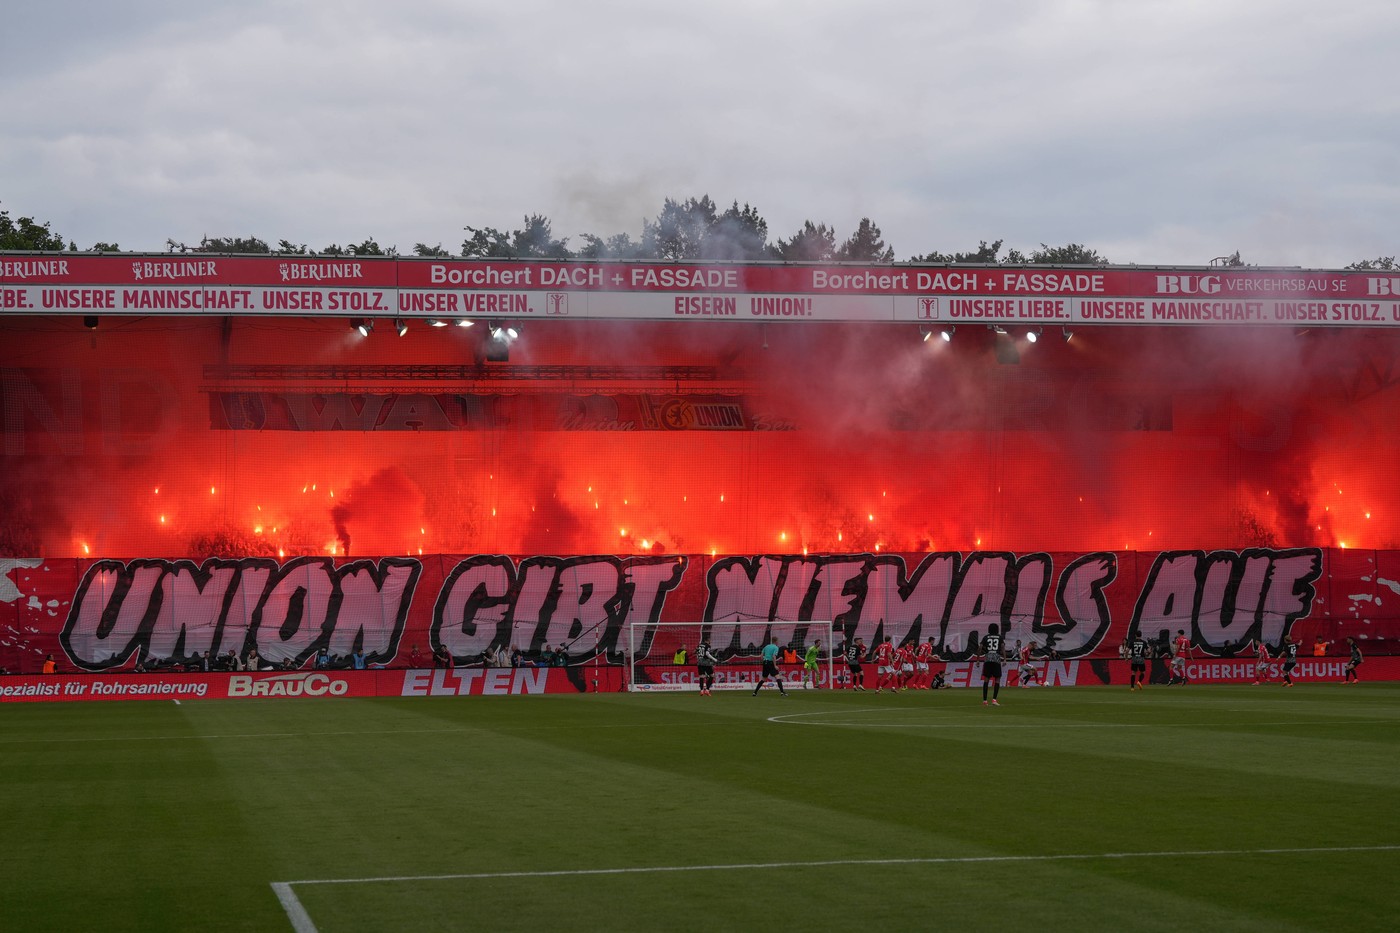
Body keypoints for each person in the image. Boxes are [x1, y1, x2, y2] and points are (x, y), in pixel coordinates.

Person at [979, 625, 1004, 706]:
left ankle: (985, 700)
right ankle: (994, 700)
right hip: (996, 658)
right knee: (997, 679)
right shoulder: (999, 637)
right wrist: (1005, 659)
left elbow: (980, 647)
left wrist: (978, 659)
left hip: (988, 658)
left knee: (986, 679)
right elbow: (1003, 648)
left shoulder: (986, 637)